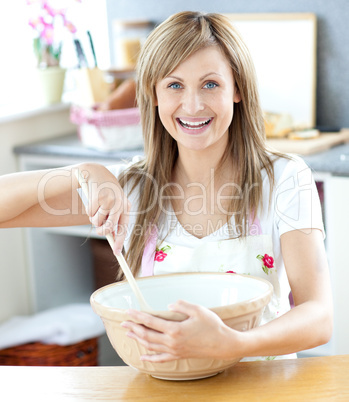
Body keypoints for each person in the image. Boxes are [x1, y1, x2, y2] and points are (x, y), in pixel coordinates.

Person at [0, 11, 332, 363]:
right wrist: (86, 172)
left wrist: (235, 345)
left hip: (262, 389)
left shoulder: (285, 179)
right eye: (175, 85)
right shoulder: (131, 189)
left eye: (210, 84)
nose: (192, 105)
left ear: (237, 89)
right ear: (154, 94)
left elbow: (319, 317)